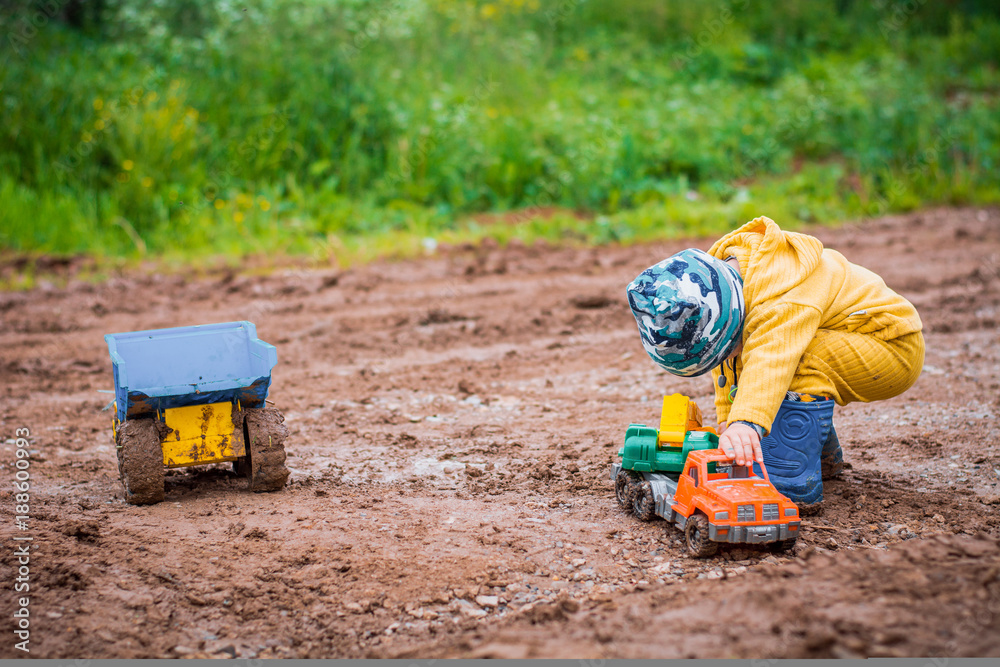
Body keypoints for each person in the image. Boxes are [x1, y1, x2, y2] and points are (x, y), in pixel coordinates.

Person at [625, 216, 924, 506]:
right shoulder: (729, 291)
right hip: (847, 336)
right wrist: (728, 420)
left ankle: (790, 475)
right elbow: (729, 367)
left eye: (727, 350)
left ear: (730, 321)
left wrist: (746, 423)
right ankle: (818, 455)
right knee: (766, 369)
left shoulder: (782, 299)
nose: (728, 358)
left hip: (891, 346)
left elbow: (771, 359)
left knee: (792, 362)